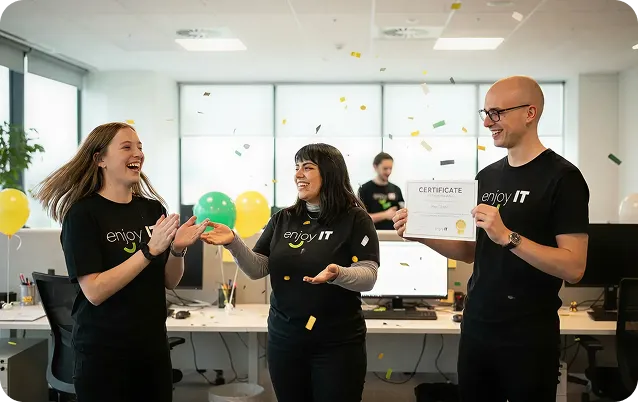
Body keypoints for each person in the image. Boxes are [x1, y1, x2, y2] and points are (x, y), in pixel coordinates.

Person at [393, 76, 589, 402]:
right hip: (477, 327)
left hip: (528, 333)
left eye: (496, 113)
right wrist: (422, 234)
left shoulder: (563, 178)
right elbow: (470, 251)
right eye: (485, 112)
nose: (487, 122)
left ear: (530, 112)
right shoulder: (487, 176)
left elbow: (574, 266)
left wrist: (508, 237)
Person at [32, 122, 209, 402]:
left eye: (139, 147)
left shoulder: (151, 209)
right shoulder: (82, 215)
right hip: (104, 356)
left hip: (152, 350)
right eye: (126, 147)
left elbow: (168, 280)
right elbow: (95, 291)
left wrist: (176, 249)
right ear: (100, 159)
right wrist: (148, 250)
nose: (137, 153)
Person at [201, 143, 380, 402]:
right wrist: (233, 242)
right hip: (285, 341)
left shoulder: (355, 219)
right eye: (297, 168)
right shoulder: (283, 219)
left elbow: (369, 275)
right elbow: (258, 268)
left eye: (307, 168)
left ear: (329, 172)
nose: (298, 174)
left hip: (337, 344)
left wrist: (337, 273)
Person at [358, 152, 404, 230]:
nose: (388, 172)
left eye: (390, 168)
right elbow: (360, 219)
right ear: (375, 167)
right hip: (373, 235)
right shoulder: (364, 189)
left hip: (393, 235)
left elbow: (403, 214)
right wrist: (385, 215)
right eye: (385, 168)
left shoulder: (396, 189)